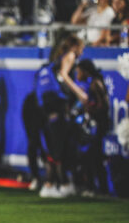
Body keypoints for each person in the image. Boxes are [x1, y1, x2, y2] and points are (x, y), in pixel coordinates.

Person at [36, 35, 85, 198]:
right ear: (76, 47)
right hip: (58, 107)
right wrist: (80, 93)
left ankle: (56, 183)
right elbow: (64, 74)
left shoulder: (57, 58)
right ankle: (54, 184)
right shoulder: (70, 56)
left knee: (54, 146)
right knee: (58, 148)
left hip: (48, 109)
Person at [72, 59, 110, 196]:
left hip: (97, 126)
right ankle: (92, 187)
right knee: (90, 157)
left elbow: (104, 105)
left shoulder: (95, 83)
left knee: (95, 157)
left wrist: (90, 109)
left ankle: (100, 189)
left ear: (85, 71)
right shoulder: (88, 84)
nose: (77, 73)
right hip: (92, 124)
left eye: (79, 71)